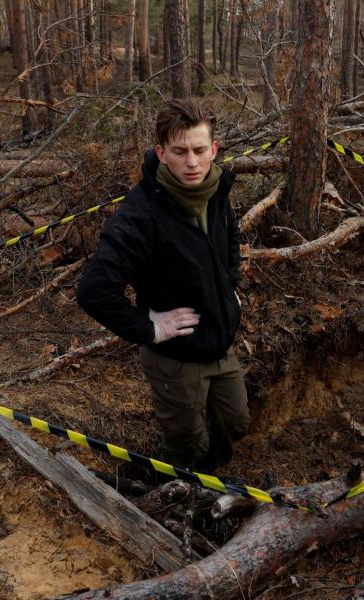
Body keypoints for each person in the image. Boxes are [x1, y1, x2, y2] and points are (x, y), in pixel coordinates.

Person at [77, 98, 249, 475]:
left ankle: (207, 482)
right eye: (180, 151)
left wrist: (229, 285)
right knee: (187, 444)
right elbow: (93, 290)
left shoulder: (216, 188)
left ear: (214, 149)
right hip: (177, 357)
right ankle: (163, 489)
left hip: (220, 343)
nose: (192, 163)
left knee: (234, 424)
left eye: (200, 150)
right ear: (161, 152)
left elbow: (229, 236)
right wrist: (149, 328)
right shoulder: (141, 215)